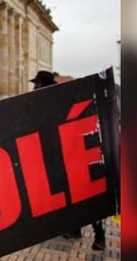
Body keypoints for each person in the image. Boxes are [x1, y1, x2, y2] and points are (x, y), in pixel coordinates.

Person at [30, 70, 106, 250]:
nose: (34, 87)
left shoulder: (60, 100)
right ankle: (74, 229)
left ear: (43, 84)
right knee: (68, 195)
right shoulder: (42, 102)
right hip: (59, 155)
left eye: (37, 83)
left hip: (75, 155)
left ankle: (99, 235)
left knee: (84, 196)